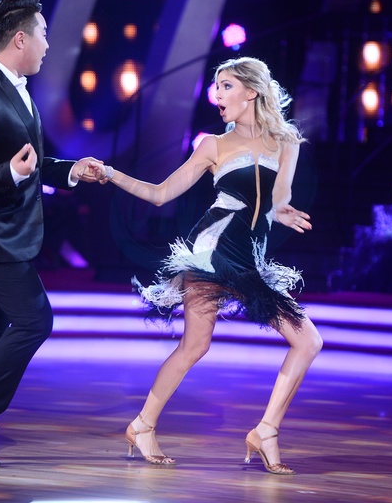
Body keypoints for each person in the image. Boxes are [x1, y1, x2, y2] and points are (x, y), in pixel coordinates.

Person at [89, 56, 323, 475]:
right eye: (216, 86)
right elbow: (161, 194)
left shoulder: (286, 142)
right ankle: (143, 426)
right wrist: (111, 173)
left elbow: (280, 196)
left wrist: (282, 210)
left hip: (250, 256)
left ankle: (265, 431)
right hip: (213, 249)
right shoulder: (213, 145)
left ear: (252, 91)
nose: (217, 94)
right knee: (196, 345)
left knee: (307, 342)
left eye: (226, 85)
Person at [0, 0, 103, 467]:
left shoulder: (15, 86)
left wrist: (69, 170)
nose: (48, 45)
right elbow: (12, 168)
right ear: (20, 39)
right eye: (43, 34)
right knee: (36, 320)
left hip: (8, 235)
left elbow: (29, 161)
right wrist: (10, 174)